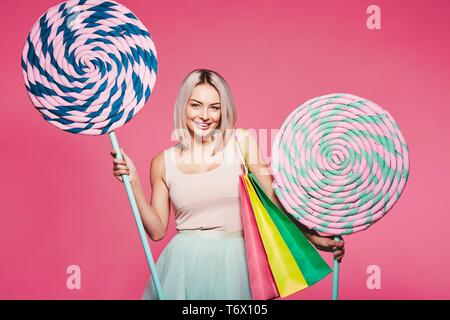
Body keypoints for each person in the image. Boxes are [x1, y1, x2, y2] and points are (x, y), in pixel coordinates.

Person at [111, 69, 345, 300]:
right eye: (195, 105)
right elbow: (157, 230)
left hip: (239, 263)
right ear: (183, 106)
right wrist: (133, 184)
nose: (204, 115)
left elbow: (275, 199)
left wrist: (312, 236)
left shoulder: (241, 142)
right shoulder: (162, 163)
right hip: (185, 265)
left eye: (214, 107)